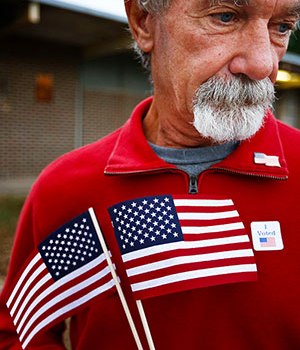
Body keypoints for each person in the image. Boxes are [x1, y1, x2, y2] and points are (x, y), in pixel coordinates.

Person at [1, 0, 300, 348]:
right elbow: (20, 335)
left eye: (281, 27)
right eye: (225, 16)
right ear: (143, 21)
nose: (264, 64)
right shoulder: (68, 187)